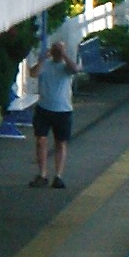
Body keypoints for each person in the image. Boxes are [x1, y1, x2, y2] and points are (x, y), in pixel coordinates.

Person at [31, 27, 78, 187]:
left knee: (60, 142)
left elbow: (75, 69)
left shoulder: (66, 66)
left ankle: (58, 175)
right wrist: (43, 59)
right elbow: (33, 73)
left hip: (63, 110)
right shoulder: (46, 65)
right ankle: (42, 174)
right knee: (41, 141)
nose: (57, 53)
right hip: (44, 108)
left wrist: (64, 55)